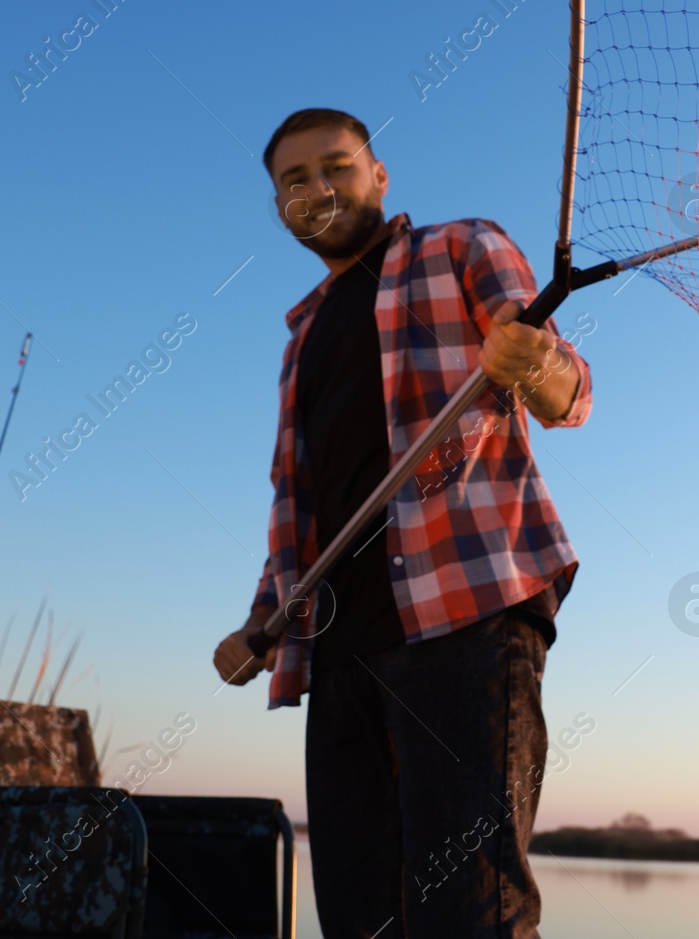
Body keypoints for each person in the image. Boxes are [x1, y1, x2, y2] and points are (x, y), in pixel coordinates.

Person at [212, 108, 593, 938]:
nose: (319, 188)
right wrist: (261, 622)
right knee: (359, 915)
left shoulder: (461, 247)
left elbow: (570, 394)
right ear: (280, 206)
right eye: (294, 179)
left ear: (378, 176)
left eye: (337, 166)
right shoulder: (301, 336)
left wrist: (533, 362)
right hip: (341, 648)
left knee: (469, 912)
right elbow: (302, 502)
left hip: (467, 616)